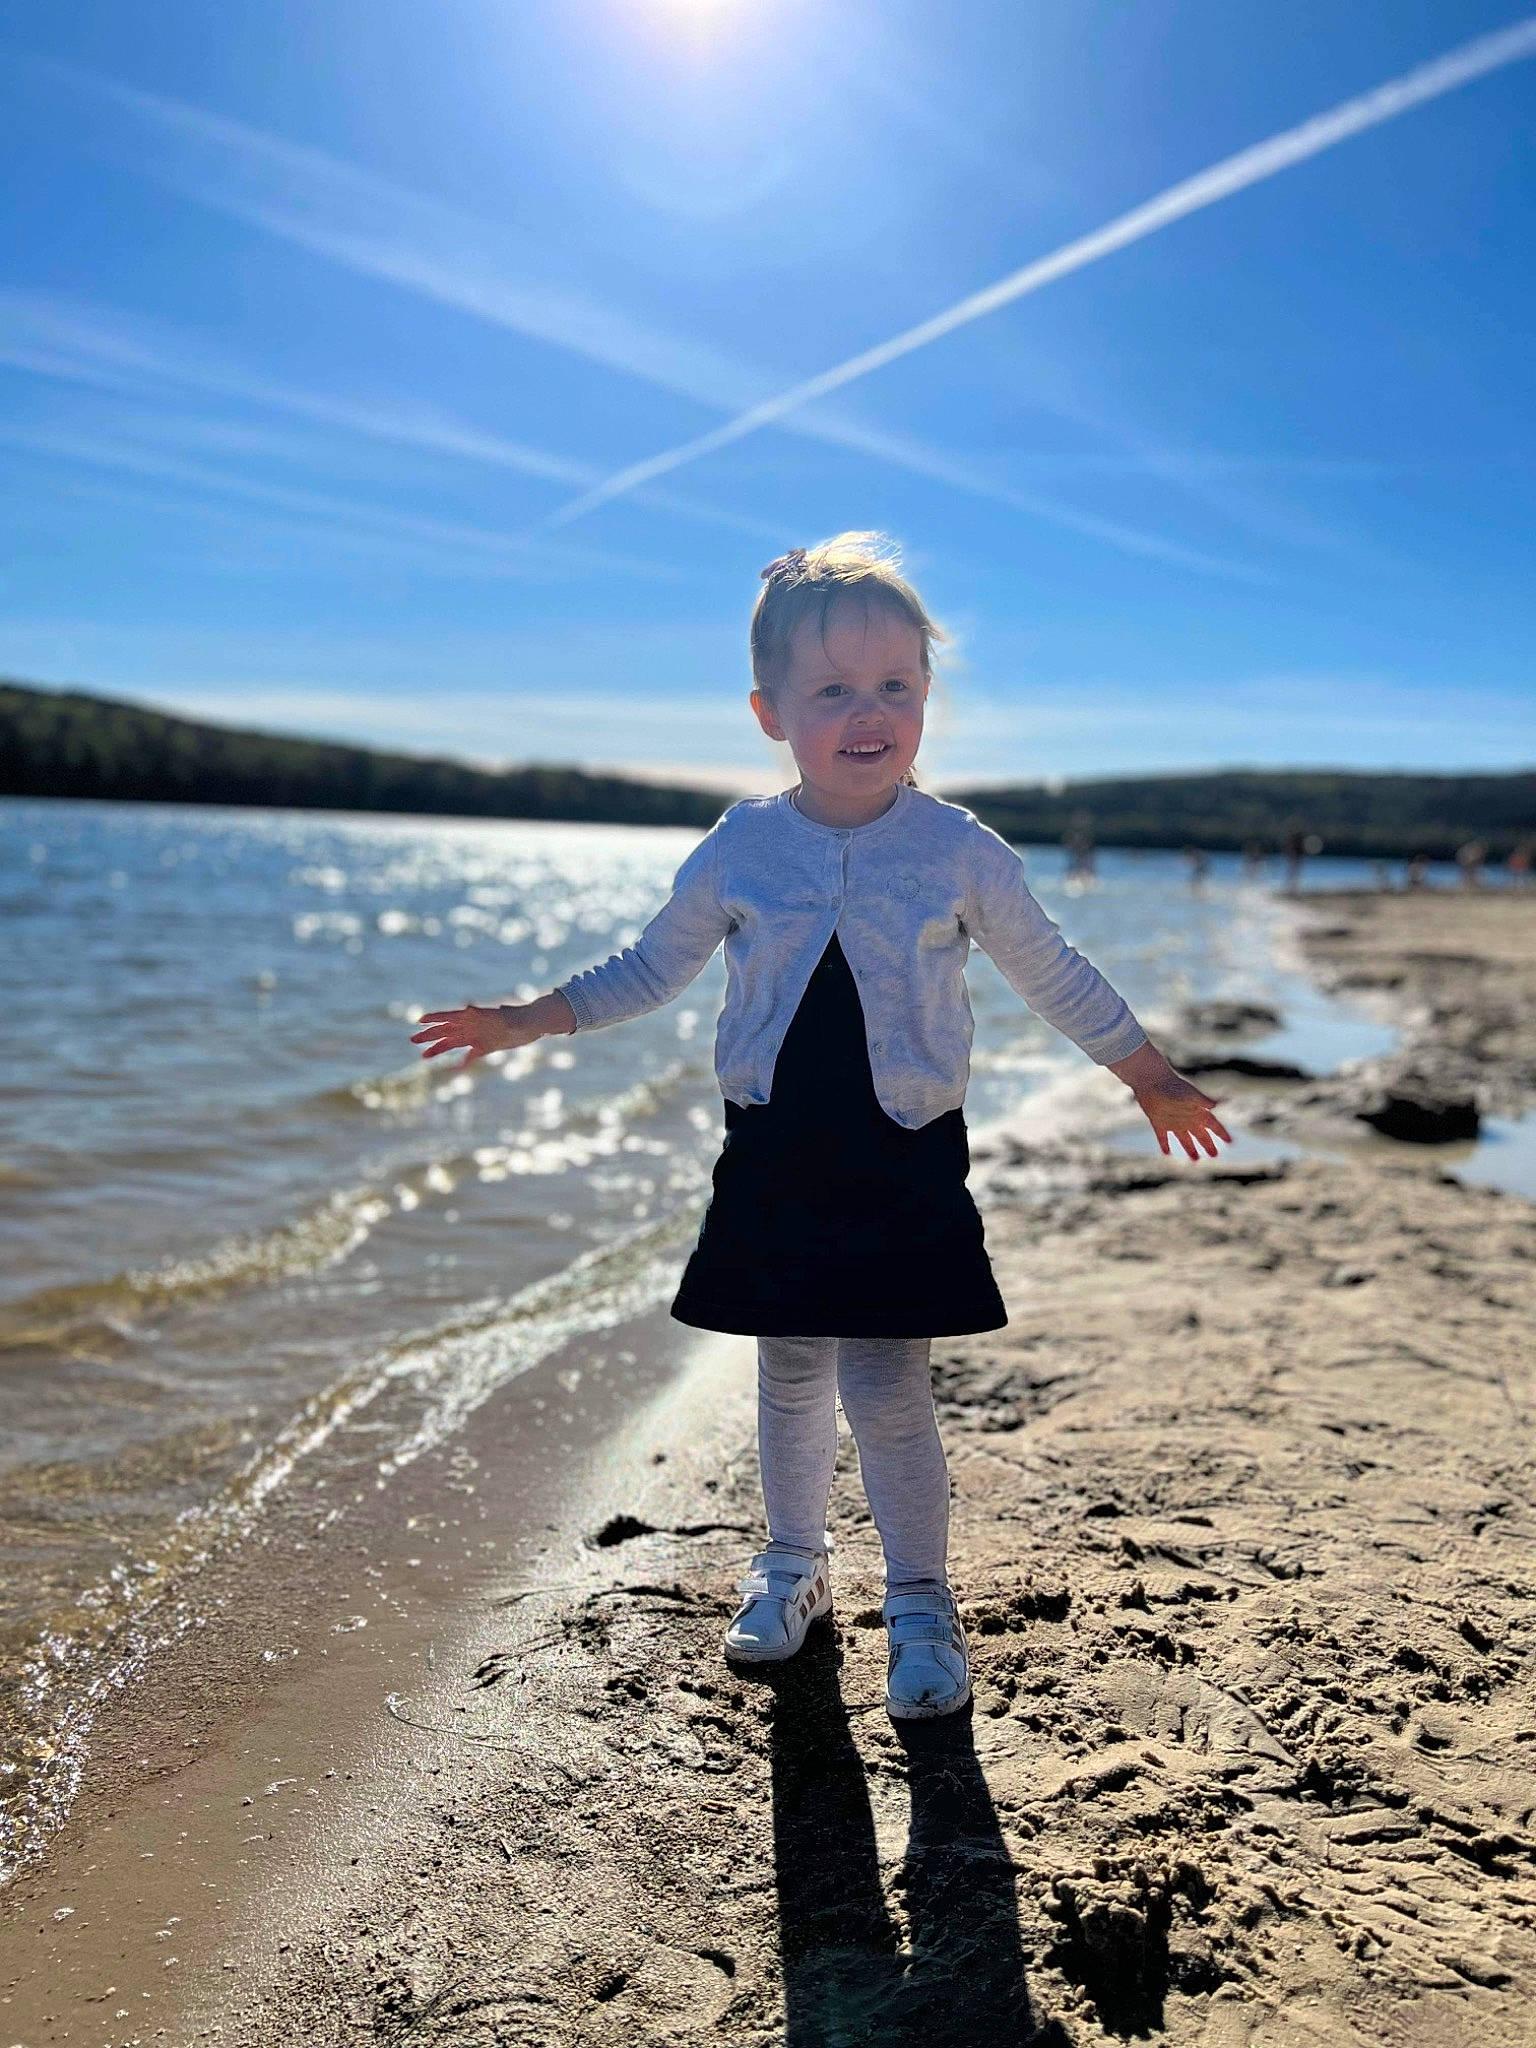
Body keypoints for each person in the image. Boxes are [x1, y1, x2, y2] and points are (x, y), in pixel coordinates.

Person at [410, 534, 1230, 1720]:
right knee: (789, 1369)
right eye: (834, 689)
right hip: (777, 1147)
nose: (869, 712)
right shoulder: (745, 844)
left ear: (928, 700)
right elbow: (654, 967)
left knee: (891, 1386)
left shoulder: (959, 848)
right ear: (769, 711)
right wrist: (533, 1016)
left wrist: (1145, 1070)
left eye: (895, 685)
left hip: (903, 1150)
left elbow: (1053, 969)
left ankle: (920, 1599)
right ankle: (792, 1567)